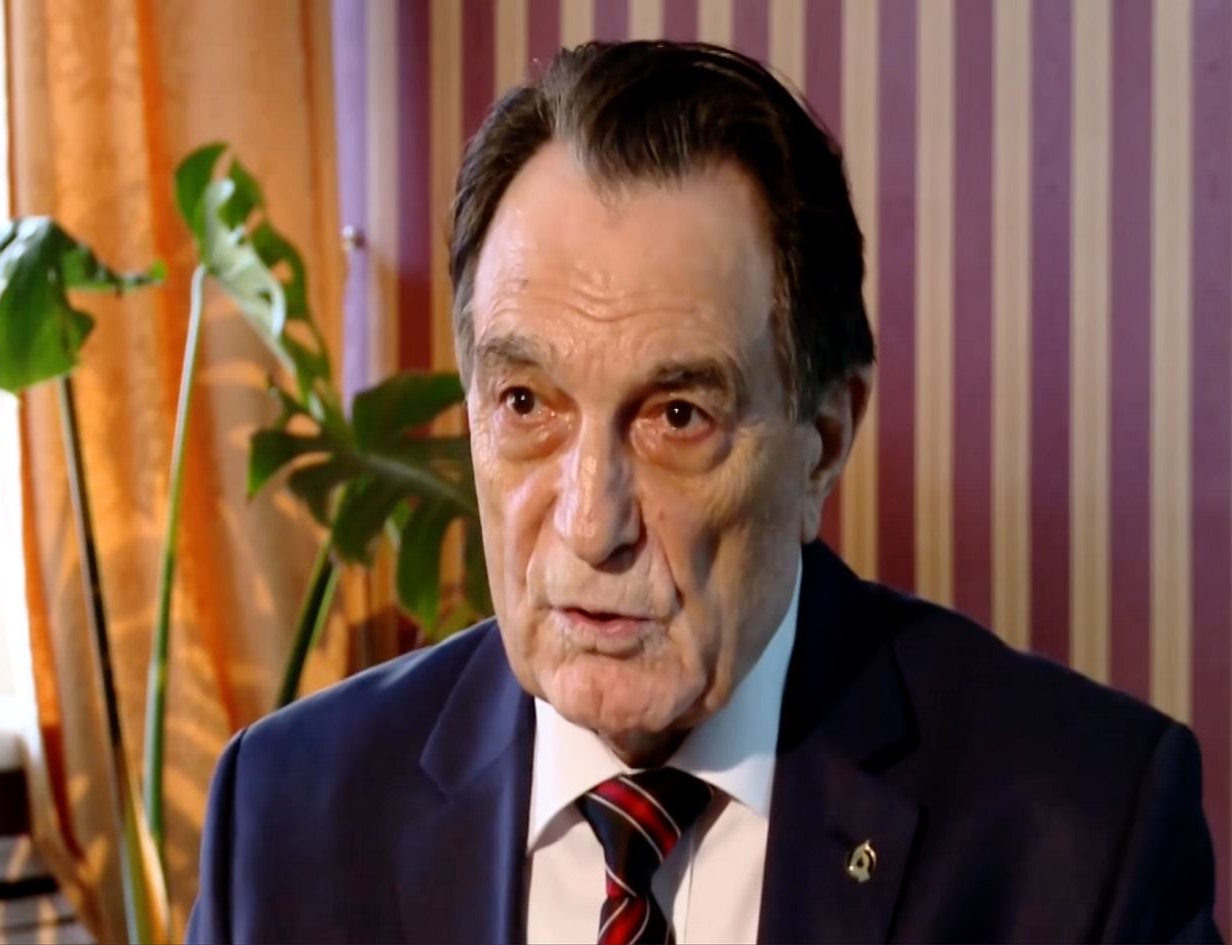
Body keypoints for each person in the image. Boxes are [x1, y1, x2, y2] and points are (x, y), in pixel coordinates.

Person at [184, 41, 1220, 944]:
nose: (591, 523)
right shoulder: (288, 817)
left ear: (823, 442)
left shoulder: (1083, 836)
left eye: (676, 415)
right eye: (526, 403)